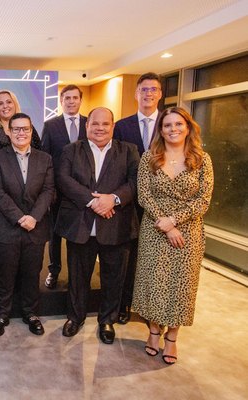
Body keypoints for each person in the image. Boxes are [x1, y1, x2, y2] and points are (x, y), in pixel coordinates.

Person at [132, 107, 213, 365]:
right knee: (154, 283)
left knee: (181, 287)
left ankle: (172, 339)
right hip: (155, 230)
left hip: (188, 233)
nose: (173, 129)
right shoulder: (149, 158)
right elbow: (144, 195)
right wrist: (165, 224)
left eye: (178, 124)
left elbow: (204, 199)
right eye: (167, 125)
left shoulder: (202, 159)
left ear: (188, 127)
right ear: (161, 130)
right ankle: (154, 332)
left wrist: (175, 221)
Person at [57, 107, 140, 344]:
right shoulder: (71, 150)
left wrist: (112, 199)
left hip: (117, 225)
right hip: (81, 226)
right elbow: (64, 179)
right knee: (78, 276)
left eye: (105, 124)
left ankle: (107, 320)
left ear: (113, 126)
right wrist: (94, 201)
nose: (100, 128)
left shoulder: (129, 151)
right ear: (87, 125)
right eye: (95, 124)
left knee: (113, 278)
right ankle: (75, 317)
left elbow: (135, 182)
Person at [0, 113, 54, 337]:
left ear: (31, 130)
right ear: (8, 131)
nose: (21, 133)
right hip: (7, 227)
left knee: (31, 274)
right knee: (5, 275)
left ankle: (31, 314)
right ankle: (1, 315)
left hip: (35, 227)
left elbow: (48, 191)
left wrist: (33, 217)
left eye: (25, 128)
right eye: (16, 129)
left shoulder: (45, 159)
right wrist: (19, 217)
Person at [113, 72, 163, 324]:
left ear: (160, 94)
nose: (149, 94)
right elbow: (117, 166)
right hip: (130, 202)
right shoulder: (122, 126)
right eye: (144, 89)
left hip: (160, 204)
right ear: (136, 94)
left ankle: (152, 307)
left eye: (154, 89)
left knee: (155, 260)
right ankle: (125, 303)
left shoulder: (169, 123)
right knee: (128, 257)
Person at [41, 84, 88, 290]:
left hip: (84, 191)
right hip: (58, 191)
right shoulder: (51, 125)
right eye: (67, 98)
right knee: (55, 233)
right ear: (61, 101)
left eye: (74, 98)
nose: (71, 101)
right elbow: (45, 158)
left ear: (80, 100)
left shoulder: (90, 124)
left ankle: (77, 273)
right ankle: (54, 270)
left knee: (78, 232)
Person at [0, 90, 41, 160]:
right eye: (0, 104)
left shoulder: (28, 126)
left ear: (15, 104)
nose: (5, 106)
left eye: (9, 102)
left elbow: (39, 152)